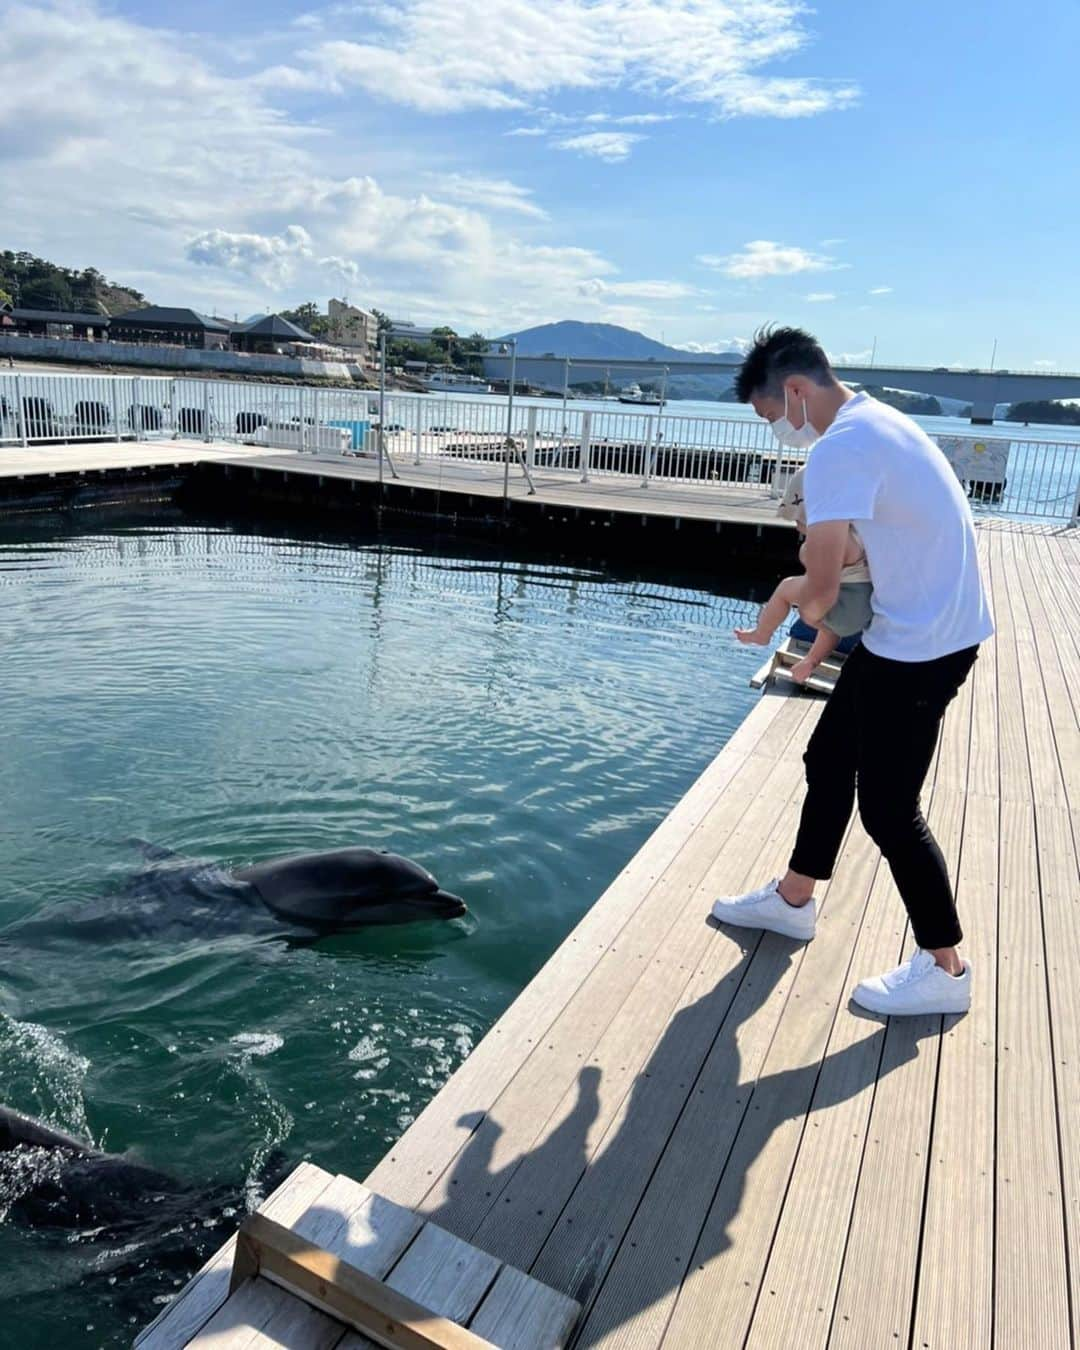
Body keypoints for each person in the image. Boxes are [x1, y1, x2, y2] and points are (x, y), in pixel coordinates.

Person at [712, 327, 994, 1017]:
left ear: (797, 392)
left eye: (772, 415)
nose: (779, 429)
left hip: (923, 644)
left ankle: (945, 968)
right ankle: (794, 899)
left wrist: (782, 602)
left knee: (890, 810)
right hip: (921, 628)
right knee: (829, 754)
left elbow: (823, 584)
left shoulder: (840, 446)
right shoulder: (878, 421)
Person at [734, 465, 873, 682]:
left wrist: (807, 609)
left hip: (842, 602)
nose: (798, 527)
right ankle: (811, 661)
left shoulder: (831, 540)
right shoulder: (859, 531)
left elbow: (818, 576)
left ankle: (762, 633)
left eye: (800, 521)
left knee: (786, 588)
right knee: (828, 629)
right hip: (860, 607)